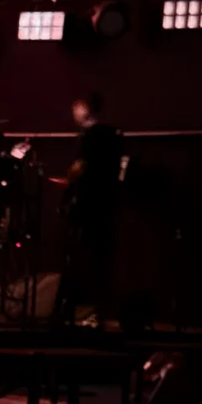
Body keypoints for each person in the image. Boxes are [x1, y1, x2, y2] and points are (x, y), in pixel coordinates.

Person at [52, 92, 123, 327]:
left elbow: (79, 167)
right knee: (101, 261)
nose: (73, 112)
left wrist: (67, 187)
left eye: (76, 107)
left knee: (77, 260)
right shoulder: (113, 135)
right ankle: (99, 313)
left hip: (86, 206)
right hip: (106, 205)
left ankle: (68, 313)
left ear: (85, 108)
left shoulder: (90, 137)